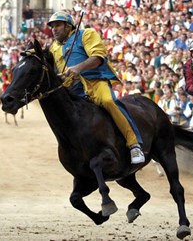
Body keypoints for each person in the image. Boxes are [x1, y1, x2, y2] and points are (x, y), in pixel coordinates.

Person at [47, 11, 145, 164]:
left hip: (95, 81)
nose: (54, 29)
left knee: (108, 101)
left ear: (68, 26)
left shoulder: (86, 34)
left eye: (58, 25)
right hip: (72, 88)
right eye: (52, 26)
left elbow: (98, 58)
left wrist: (78, 68)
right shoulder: (53, 47)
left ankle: (134, 144)